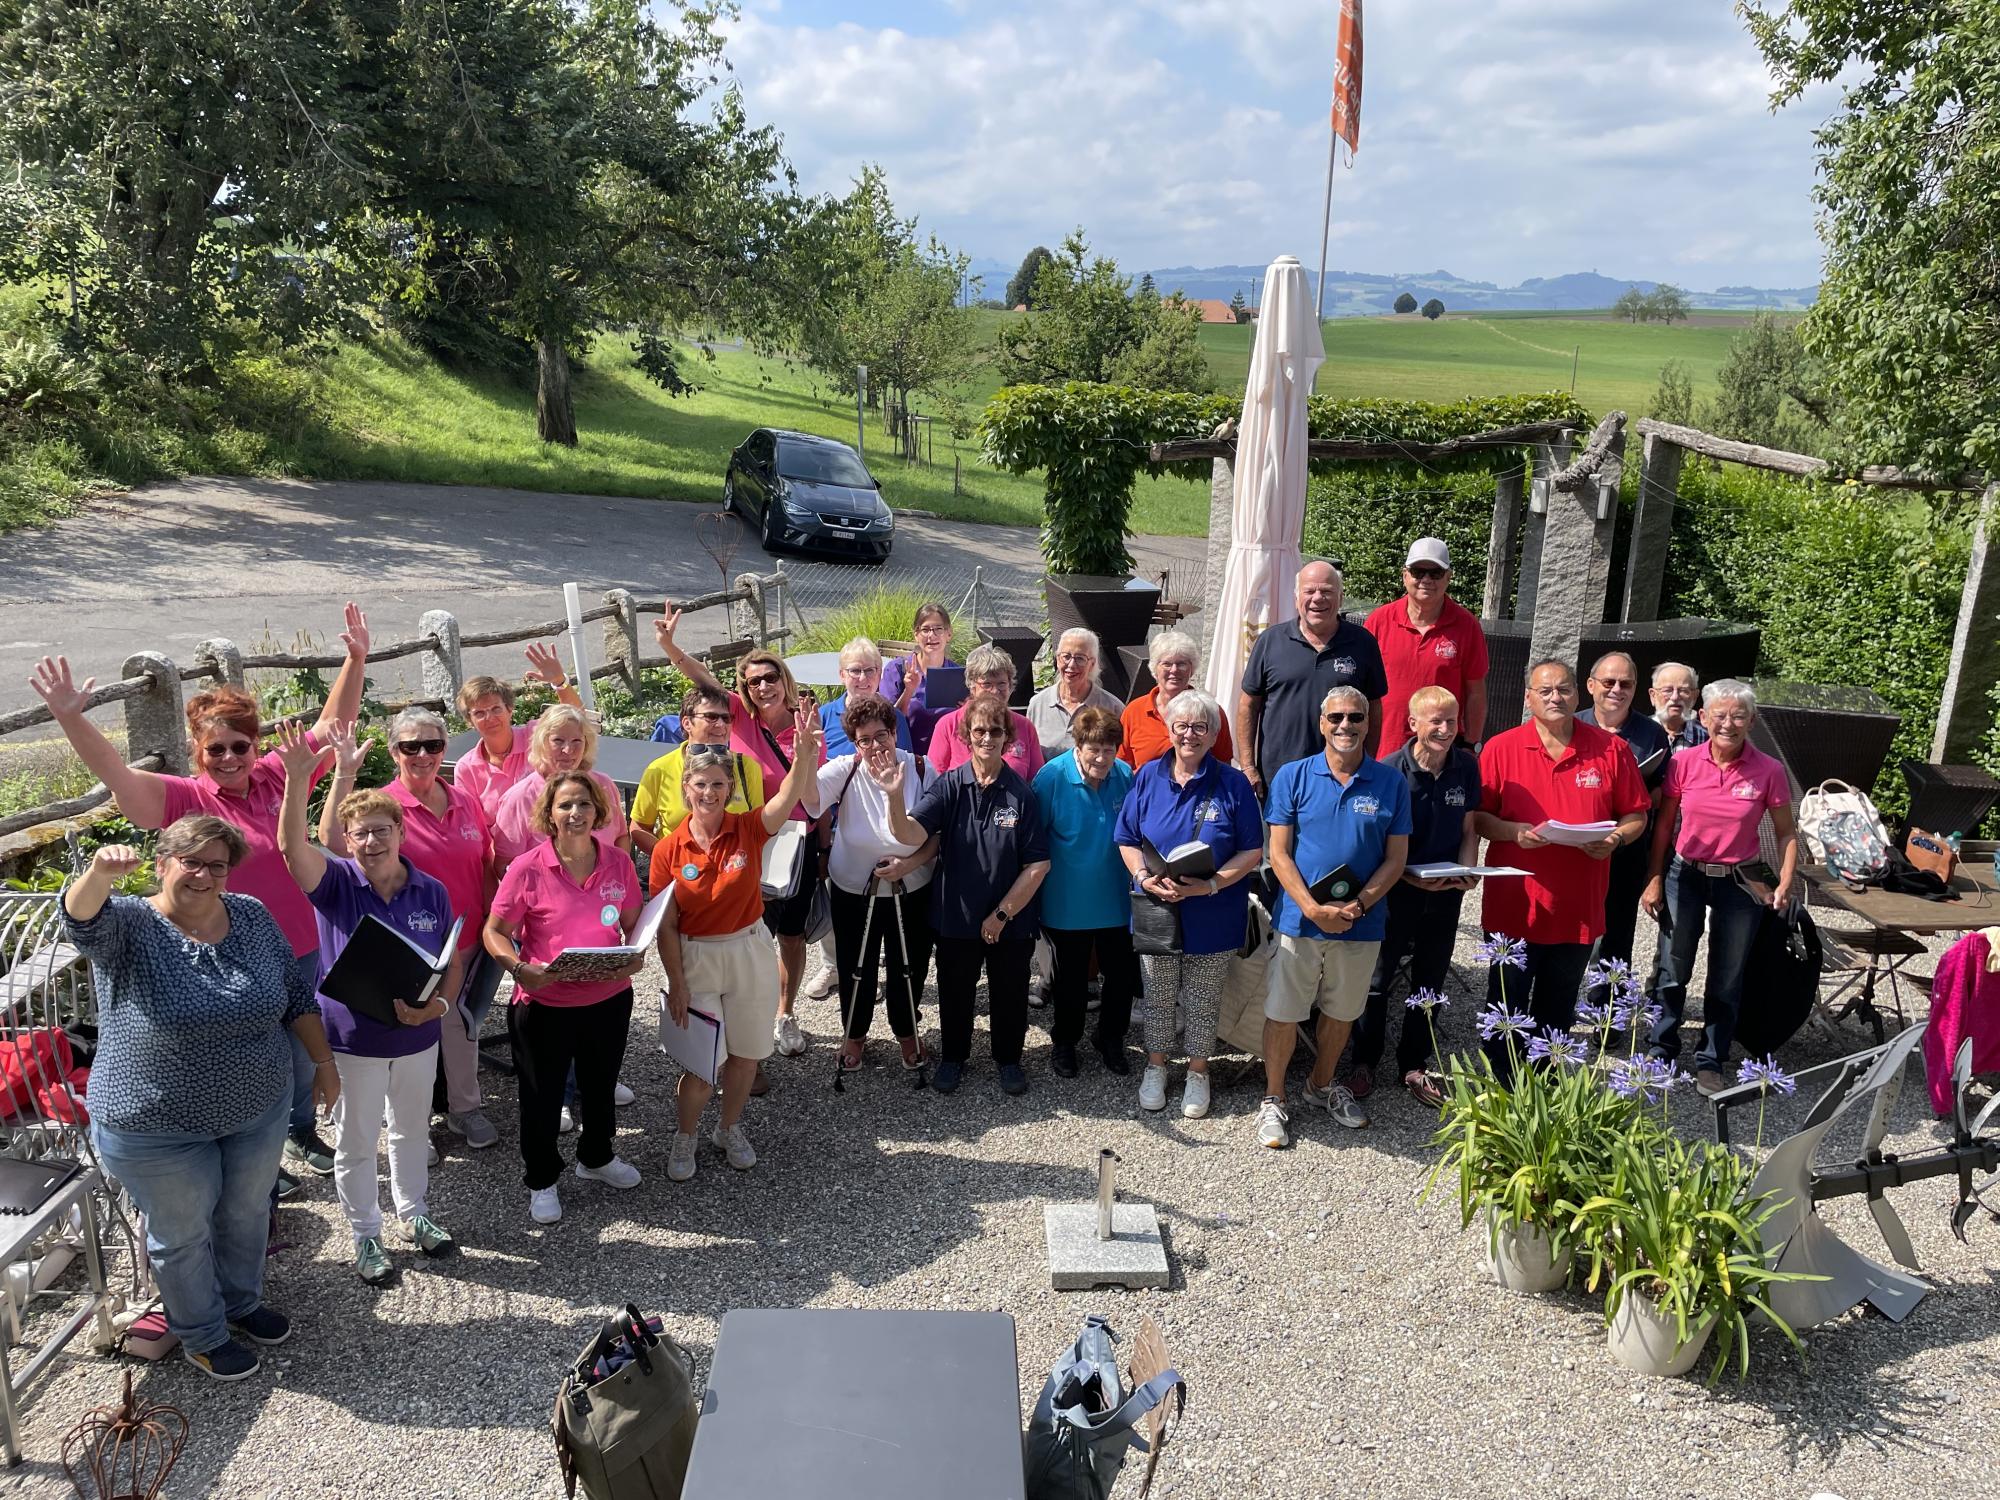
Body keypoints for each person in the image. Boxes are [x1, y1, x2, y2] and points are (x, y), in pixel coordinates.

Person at [30, 606, 369, 1184]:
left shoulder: (276, 776)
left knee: (301, 1046)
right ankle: (259, 1141)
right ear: (198, 751)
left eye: (241, 746)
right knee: (254, 1051)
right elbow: (116, 772)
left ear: (255, 744)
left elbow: (335, 722)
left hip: (302, 942)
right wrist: (70, 719)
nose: (231, 759)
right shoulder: (184, 797)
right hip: (228, 949)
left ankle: (294, 1131)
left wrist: (355, 659)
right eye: (218, 750)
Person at [63, 819, 336, 1381]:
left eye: (216, 864)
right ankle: (203, 1334)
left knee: (245, 1211)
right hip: (154, 1122)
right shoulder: (131, 924)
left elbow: (294, 994)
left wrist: (325, 1064)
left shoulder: (252, 916)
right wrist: (97, 874)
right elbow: (80, 919)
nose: (204, 874)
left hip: (257, 1107)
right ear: (162, 862)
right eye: (190, 860)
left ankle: (241, 1302)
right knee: (184, 1232)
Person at [275, 726, 460, 1283]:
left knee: (410, 1131)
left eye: (381, 831)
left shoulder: (431, 890)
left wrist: (439, 1011)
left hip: (417, 1037)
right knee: (356, 1140)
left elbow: (448, 962)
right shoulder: (335, 884)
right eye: (360, 835)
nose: (372, 842)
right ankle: (365, 1235)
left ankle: (415, 1215)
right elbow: (290, 847)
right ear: (347, 841)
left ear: (401, 832)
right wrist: (299, 779)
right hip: (352, 1041)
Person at [654, 704, 824, 1177]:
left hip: (749, 949)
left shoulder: (748, 828)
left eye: (717, 784)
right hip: (696, 957)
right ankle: (684, 1137)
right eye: (700, 784)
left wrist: (805, 752)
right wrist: (676, 981)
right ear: (687, 789)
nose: (708, 792)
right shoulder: (668, 850)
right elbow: (665, 924)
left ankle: (728, 1128)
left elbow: (789, 795)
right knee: (700, 1065)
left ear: (730, 789)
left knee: (746, 1055)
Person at [318, 712, 500, 1151]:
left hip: (463, 938)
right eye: (410, 746)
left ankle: (464, 1108)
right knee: (399, 1028)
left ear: (445, 750)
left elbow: (484, 865)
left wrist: (496, 920)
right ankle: (410, 1128)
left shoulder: (464, 800)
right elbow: (332, 838)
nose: (422, 755)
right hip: (399, 943)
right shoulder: (383, 807)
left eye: (433, 746)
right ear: (394, 752)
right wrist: (344, 772)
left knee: (458, 1024)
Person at [655, 613, 823, 1058]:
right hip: (746, 837)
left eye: (770, 678)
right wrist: (671, 647)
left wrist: (807, 752)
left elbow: (812, 795)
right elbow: (702, 678)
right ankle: (750, 1012)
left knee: (791, 933)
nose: (762, 688)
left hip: (794, 836)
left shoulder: (807, 723)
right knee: (751, 930)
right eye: (752, 683)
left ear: (784, 680)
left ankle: (785, 1013)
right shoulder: (742, 719)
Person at [484, 773, 648, 1225]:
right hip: (545, 1005)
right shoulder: (527, 867)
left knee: (600, 1086)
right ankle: (541, 1179)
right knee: (541, 1096)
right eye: (565, 806)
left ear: (598, 810)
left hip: (608, 998)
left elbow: (633, 922)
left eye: (583, 804)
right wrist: (519, 969)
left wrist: (635, 953)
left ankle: (595, 1158)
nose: (575, 813)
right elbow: (494, 932)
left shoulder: (617, 862)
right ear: (549, 815)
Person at [1256, 686, 1412, 1148]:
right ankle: (1274, 1097)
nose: (1346, 726)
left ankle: (1320, 1087)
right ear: (1321, 723)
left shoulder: (1390, 782)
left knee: (1342, 1012)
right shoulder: (1292, 776)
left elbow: (1395, 859)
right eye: (1336, 717)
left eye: (1356, 717)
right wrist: (1309, 907)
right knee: (1283, 1012)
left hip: (1360, 921)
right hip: (1299, 920)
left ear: (1368, 723)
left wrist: (1358, 905)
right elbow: (1278, 853)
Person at [1472, 661, 1649, 1063]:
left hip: (1577, 908)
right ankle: (1498, 1090)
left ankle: (1546, 1096)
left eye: (1564, 690)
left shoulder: (1611, 749)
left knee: (1558, 1009)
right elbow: (1478, 818)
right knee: (1505, 1006)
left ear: (1578, 694)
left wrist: (1616, 838)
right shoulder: (1502, 748)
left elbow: (1636, 814)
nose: (1556, 698)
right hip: (1514, 905)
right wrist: (1513, 832)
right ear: (1528, 697)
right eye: (1545, 690)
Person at [880, 694, 1051, 1096]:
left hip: (1010, 920)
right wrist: (893, 796)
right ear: (967, 736)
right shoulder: (951, 785)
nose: (987, 738)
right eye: (980, 731)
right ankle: (954, 1058)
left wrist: (1002, 915)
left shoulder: (1020, 794)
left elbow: (1038, 865)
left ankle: (1008, 1060)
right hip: (956, 915)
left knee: (1009, 994)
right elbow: (911, 835)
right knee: (955, 993)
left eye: (995, 731)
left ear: (1007, 737)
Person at [1642, 680, 1800, 1095]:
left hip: (1739, 880)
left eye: (1738, 716)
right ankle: (1662, 1049)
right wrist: (1654, 878)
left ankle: (1711, 1059)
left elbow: (1786, 833)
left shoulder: (1769, 770)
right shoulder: (1684, 762)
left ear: (1752, 720)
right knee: (1673, 968)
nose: (1728, 724)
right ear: (1703, 717)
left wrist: (1785, 879)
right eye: (1720, 715)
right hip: (1685, 874)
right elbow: (1663, 825)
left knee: (1728, 976)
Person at [1114, 690, 1263, 1119]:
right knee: (1158, 996)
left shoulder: (1232, 783)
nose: (1190, 735)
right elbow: (1126, 838)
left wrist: (1211, 884)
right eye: (1182, 726)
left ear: (1214, 733)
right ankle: (1157, 1065)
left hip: (1213, 909)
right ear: (1170, 729)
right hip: (1156, 907)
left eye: (1201, 727)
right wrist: (1143, 877)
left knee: (1203, 997)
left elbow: (1251, 850)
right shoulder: (1147, 776)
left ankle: (1199, 1072)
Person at [1354, 687, 1483, 1106]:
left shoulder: (1466, 766)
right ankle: (1364, 1062)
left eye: (1452, 720)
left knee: (1430, 981)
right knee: (1376, 981)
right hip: (1397, 894)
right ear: (1413, 724)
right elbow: (1377, 848)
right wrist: (1408, 878)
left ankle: (1414, 1063)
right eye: (1436, 721)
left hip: (1445, 895)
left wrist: (1468, 870)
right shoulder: (1389, 772)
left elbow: (1469, 829)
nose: (1446, 730)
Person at [814, 695, 933, 1073]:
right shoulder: (845, 769)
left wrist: (909, 863)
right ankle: (854, 1032)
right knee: (854, 963)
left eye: (881, 735)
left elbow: (937, 834)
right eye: (864, 740)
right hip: (854, 886)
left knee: (909, 962)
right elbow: (807, 800)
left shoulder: (920, 767)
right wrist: (805, 755)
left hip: (912, 883)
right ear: (854, 743)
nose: (874, 746)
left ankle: (907, 1029)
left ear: (894, 732)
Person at [1031, 706, 1139, 1076]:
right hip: (1066, 902)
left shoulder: (1124, 775)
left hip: (1116, 899)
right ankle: (1065, 1041)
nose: (1102, 757)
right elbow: (1035, 840)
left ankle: (1110, 1038)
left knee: (1121, 977)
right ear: (1077, 746)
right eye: (1094, 749)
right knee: (1071, 981)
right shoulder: (1051, 778)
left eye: (1109, 749)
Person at [1238, 561, 1388, 799]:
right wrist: (1248, 766)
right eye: (1309, 591)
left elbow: (1375, 709)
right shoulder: (1271, 641)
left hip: (1342, 778)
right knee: (1276, 838)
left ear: (1340, 596)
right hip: (1277, 778)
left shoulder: (1363, 643)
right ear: (1297, 597)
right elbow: (1248, 705)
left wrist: (1366, 762)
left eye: (1327, 591)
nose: (1318, 598)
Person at [1578, 651, 1672, 1011]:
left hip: (1628, 846)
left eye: (1626, 684)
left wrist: (1635, 794)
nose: (1617, 689)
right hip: (1579, 845)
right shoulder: (1573, 725)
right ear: (1591, 686)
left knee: (1617, 931)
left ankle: (1607, 1011)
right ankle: (1559, 1005)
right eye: (1609, 682)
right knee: (1572, 929)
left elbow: (1663, 791)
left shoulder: (1651, 733)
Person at [1363, 537, 1489, 755]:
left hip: (1440, 751)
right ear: (1405, 576)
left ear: (1448, 578)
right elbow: (1360, 687)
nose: (1426, 579)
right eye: (1418, 571)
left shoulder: (1467, 625)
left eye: (1435, 573)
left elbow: (1475, 693)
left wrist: (1471, 744)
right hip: (1383, 748)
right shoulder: (1379, 620)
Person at [448, 648, 586, 823]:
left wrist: (560, 682)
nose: (489, 718)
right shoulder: (466, 768)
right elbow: (472, 823)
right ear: (470, 720)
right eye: (479, 713)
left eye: (496, 709)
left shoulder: (534, 735)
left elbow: (577, 720)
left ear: (510, 709)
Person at [631, 685, 766, 861]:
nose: (720, 724)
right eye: (711, 717)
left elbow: (758, 825)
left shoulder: (746, 767)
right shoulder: (660, 769)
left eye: (727, 718)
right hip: (680, 875)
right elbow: (639, 826)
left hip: (732, 871)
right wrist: (667, 856)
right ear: (687, 723)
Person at [491, 704, 630, 866]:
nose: (568, 750)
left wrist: (619, 873)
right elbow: (504, 865)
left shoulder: (604, 785)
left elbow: (621, 836)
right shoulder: (519, 799)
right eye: (558, 741)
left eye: (576, 740)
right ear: (542, 743)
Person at [1120, 631, 1237, 768]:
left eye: (1181, 664)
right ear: (1154, 669)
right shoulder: (1134, 711)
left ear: (1191, 669)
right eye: (1167, 664)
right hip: (1147, 788)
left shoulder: (1211, 711)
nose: (1174, 670)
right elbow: (1123, 769)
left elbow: (1224, 767)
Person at [928, 645, 1044, 781]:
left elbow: (1037, 781)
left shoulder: (1025, 726)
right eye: (987, 684)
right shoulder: (948, 725)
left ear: (1010, 686)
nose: (995, 691)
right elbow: (934, 779)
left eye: (1001, 684)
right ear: (972, 687)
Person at [1027, 628, 1124, 760]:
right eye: (1066, 656)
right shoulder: (1038, 704)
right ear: (1057, 658)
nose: (1071, 665)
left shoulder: (1112, 707)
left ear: (1092, 663)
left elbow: (1119, 759)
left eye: (1080, 658)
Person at [880, 601, 957, 758]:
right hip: (906, 758)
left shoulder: (958, 675)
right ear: (916, 634)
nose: (932, 635)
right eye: (925, 629)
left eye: (938, 629)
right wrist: (908, 691)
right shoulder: (897, 670)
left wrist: (968, 708)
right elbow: (886, 722)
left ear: (948, 634)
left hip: (946, 760)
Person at [818, 637, 913, 758]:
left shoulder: (895, 717)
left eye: (869, 670)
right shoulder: (823, 717)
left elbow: (906, 764)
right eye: (855, 671)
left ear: (879, 674)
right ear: (842, 675)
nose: (862, 678)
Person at [1650, 661, 1709, 752]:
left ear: (1694, 696)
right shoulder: (1638, 733)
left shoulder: (1707, 739)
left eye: (1683, 690)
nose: (1675, 697)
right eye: (1667, 690)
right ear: (1653, 695)